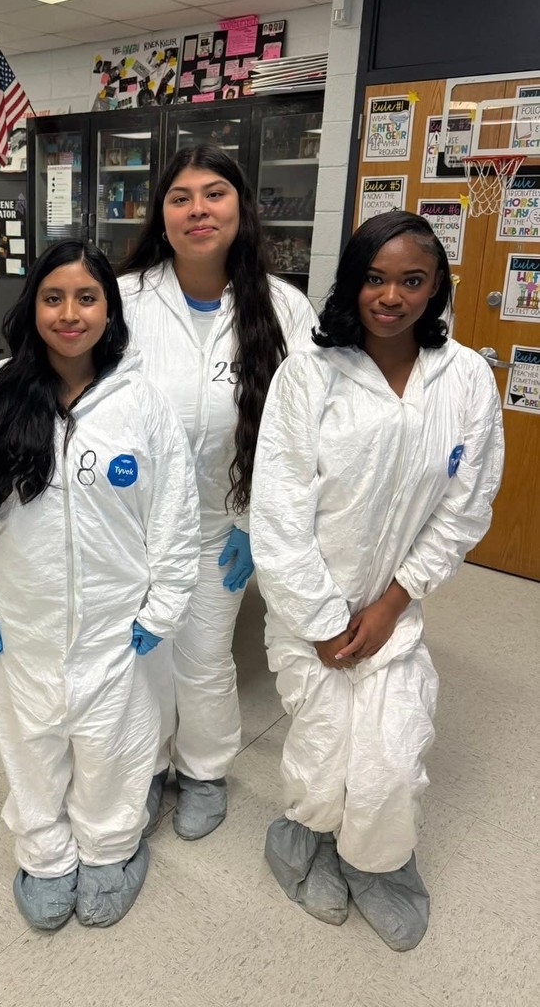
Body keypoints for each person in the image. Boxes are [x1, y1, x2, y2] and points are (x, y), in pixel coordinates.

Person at [250, 211, 504, 951]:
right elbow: (279, 510)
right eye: (374, 277)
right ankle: (301, 837)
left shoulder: (465, 381)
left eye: (411, 280)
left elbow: (466, 506)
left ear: (436, 289)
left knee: (391, 760)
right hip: (310, 613)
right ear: (352, 281)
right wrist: (326, 619)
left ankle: (379, 865)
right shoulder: (311, 373)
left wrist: (394, 603)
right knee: (325, 757)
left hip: (394, 612)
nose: (390, 296)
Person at [0, 239, 200, 930]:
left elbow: (176, 513)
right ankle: (44, 854)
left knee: (113, 746)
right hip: (22, 620)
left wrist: (165, 603)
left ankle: (112, 849)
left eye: (87, 298)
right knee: (31, 745)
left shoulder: (141, 402)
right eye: (53, 298)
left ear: (110, 313)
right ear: (32, 308)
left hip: (118, 625)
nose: (69, 313)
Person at [118, 144, 319, 840]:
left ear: (241, 208)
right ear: (162, 215)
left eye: (214, 194)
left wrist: (252, 524)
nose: (198, 209)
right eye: (180, 198)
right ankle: (141, 769)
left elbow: (299, 433)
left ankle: (203, 771)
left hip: (220, 523)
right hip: (130, 520)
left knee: (203, 655)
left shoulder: (285, 308)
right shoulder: (123, 298)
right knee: (140, 655)